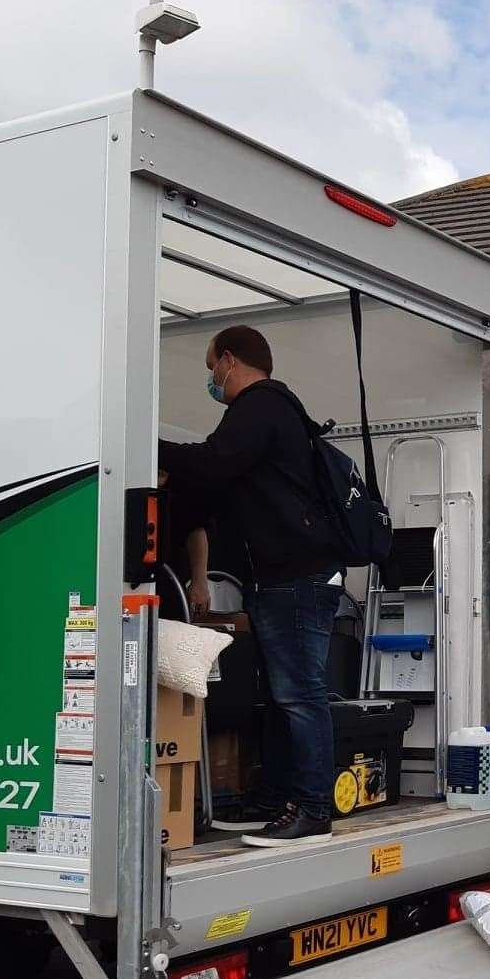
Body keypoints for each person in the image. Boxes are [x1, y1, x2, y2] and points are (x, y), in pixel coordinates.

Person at [160, 325, 342, 848]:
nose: (211, 378)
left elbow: (213, 462)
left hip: (294, 578)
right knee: (283, 695)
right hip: (284, 578)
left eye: (211, 366)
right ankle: (278, 799)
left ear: (230, 361)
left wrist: (150, 446)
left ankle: (311, 808)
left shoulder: (261, 407)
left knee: (299, 694)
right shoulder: (276, 412)